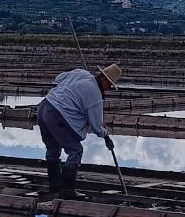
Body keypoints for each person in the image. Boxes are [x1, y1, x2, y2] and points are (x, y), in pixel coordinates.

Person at [36, 63, 121, 196]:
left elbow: (59, 78)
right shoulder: (95, 96)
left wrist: (76, 84)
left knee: (53, 149)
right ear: (104, 79)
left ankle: (54, 187)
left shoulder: (81, 73)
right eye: (109, 85)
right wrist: (106, 136)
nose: (108, 89)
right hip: (56, 115)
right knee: (76, 150)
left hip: (43, 107)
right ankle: (67, 190)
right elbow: (96, 126)